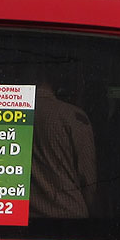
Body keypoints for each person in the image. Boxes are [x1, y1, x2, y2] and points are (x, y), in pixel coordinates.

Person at [29, 80, 97, 218]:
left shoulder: (5, 113)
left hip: (21, 217)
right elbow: (88, 178)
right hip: (67, 216)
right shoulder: (72, 116)